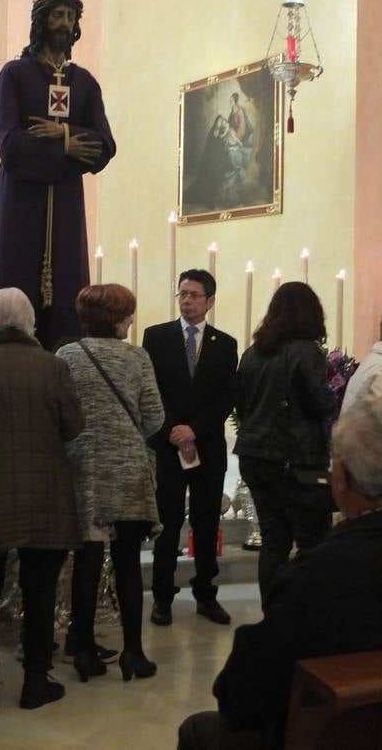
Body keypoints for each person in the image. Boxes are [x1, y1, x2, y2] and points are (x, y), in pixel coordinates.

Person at [177, 396, 382, 749]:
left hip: (336, 737)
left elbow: (239, 699)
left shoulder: (316, 575)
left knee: (199, 731)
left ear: (340, 478)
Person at [0, 287, 85, 711]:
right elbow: (74, 426)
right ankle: (34, 680)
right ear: (30, 324)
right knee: (40, 590)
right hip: (45, 494)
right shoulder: (54, 366)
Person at [0, 0, 116, 351]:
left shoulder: (83, 83)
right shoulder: (15, 75)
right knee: (14, 279)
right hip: (20, 202)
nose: (64, 24)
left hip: (66, 202)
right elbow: (10, 145)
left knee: (68, 290)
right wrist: (67, 149)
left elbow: (104, 146)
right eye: (57, 16)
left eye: (70, 17)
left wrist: (65, 134)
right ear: (41, 22)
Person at [56, 284, 165, 682]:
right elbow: (154, 417)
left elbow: (59, 412)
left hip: (84, 469)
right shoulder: (137, 357)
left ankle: (83, 650)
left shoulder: (66, 356)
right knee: (128, 564)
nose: (132, 320)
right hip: (128, 471)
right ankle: (133, 653)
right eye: (128, 314)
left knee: (86, 560)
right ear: (118, 318)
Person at [143, 268, 239, 627]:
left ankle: (205, 594)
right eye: (182, 293)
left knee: (205, 521)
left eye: (194, 295)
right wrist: (173, 430)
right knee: (167, 524)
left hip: (207, 447)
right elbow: (150, 391)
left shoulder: (225, 344)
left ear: (210, 301)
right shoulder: (157, 337)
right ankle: (162, 597)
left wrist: (193, 430)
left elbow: (226, 397)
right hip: (168, 447)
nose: (186, 300)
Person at [234, 282, 338, 602]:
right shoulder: (306, 351)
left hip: (254, 456)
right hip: (297, 460)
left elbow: (241, 406)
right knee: (312, 542)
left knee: (274, 542)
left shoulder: (252, 354)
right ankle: (307, 617)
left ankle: (275, 617)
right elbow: (321, 404)